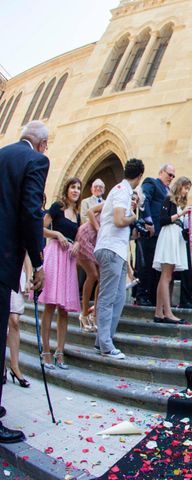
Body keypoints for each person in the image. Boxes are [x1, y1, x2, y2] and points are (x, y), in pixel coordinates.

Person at [0, 120, 49, 443]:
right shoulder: (36, 160)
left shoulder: (3, 153)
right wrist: (39, 261)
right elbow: (31, 212)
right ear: (42, 144)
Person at [94, 159, 147, 359]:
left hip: (118, 250)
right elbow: (118, 220)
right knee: (108, 297)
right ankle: (106, 345)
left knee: (119, 297)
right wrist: (133, 217)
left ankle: (103, 340)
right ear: (140, 175)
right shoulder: (122, 191)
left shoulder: (120, 190)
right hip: (111, 249)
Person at [40, 177, 83, 370]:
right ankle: (46, 352)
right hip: (54, 255)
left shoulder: (78, 214)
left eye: (79, 188)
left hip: (68, 260)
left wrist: (78, 246)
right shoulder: (57, 207)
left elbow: (79, 238)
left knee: (64, 309)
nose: (76, 190)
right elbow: (40, 228)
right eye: (73, 187)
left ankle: (60, 353)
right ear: (66, 189)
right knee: (50, 305)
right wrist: (56, 234)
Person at [153, 176, 192, 324]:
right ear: (179, 186)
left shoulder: (179, 203)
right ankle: (167, 312)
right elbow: (163, 220)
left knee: (167, 276)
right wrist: (181, 214)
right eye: (185, 187)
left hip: (176, 236)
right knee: (166, 275)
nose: (186, 191)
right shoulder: (168, 199)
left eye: (188, 189)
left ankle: (159, 312)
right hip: (168, 235)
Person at [135, 164, 175, 306]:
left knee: (156, 266)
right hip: (150, 231)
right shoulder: (151, 182)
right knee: (145, 264)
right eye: (169, 174)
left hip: (162, 235)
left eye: (173, 176)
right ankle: (141, 295)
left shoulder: (169, 191)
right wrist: (148, 221)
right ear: (161, 172)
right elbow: (144, 199)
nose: (171, 178)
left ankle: (152, 296)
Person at [75, 202, 103, 332]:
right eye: (132, 199)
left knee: (101, 279)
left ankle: (94, 314)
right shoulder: (110, 202)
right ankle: (84, 313)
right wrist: (98, 228)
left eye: (136, 201)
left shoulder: (127, 214)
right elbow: (90, 211)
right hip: (86, 235)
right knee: (93, 275)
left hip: (98, 241)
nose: (133, 202)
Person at [7, 261, 31, 388]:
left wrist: (28, 278)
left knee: (14, 321)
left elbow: (26, 253)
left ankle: (14, 366)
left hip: (16, 275)